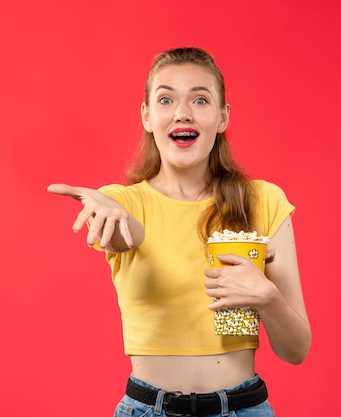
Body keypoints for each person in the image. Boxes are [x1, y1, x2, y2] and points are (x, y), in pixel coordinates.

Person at [48, 47, 311, 417]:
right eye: (166, 99)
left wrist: (266, 297)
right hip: (148, 410)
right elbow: (128, 233)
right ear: (147, 116)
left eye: (200, 100)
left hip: (243, 409)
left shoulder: (263, 201)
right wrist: (111, 215)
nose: (182, 112)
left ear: (222, 117)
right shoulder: (120, 202)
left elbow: (296, 351)